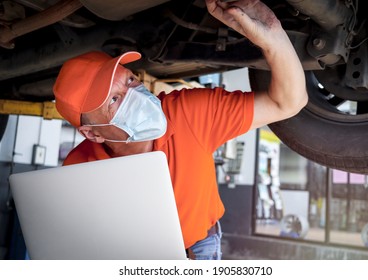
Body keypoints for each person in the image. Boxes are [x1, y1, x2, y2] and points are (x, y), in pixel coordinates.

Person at [53, 0, 308, 260]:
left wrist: (272, 36)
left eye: (130, 79)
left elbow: (287, 102)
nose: (135, 95)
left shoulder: (188, 114)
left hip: (198, 252)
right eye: (115, 100)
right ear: (93, 133)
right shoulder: (79, 169)